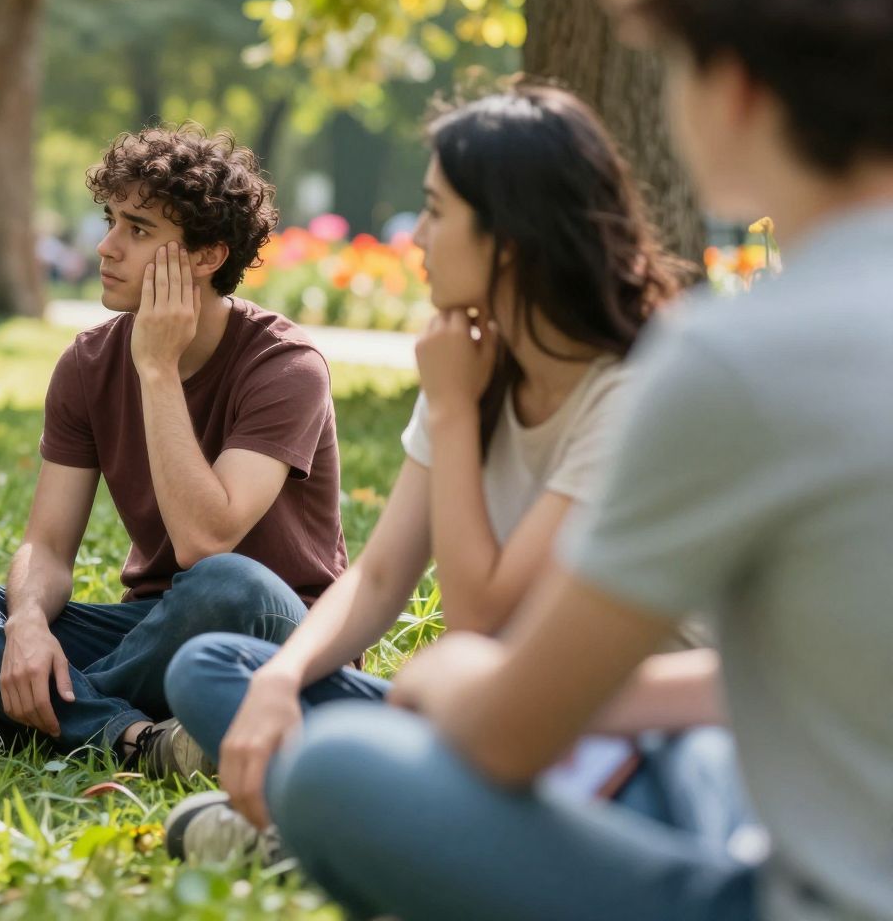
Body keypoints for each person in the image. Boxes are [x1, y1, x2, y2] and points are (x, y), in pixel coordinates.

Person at [262, 0, 893, 921]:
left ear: (732, 86)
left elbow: (508, 722)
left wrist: (441, 684)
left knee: (338, 773)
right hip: (744, 782)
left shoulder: (731, 357)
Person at [161, 84, 732, 864]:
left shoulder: (630, 392)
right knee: (214, 668)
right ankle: (376, 818)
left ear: (511, 236)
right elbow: (383, 572)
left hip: (624, 734)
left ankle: (345, 825)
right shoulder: (468, 364)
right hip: (482, 712)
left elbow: (486, 623)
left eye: (437, 211)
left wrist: (457, 410)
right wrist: (282, 678)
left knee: (397, 752)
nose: (418, 235)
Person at [0, 126, 346, 776]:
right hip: (148, 631)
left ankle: (21, 717)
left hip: (271, 628)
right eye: (110, 221)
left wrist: (156, 370)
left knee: (223, 582)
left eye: (137, 229)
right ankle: (131, 737)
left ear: (206, 255)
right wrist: (25, 628)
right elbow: (46, 546)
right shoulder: (88, 362)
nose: (105, 247)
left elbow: (205, 542)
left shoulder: (284, 365)